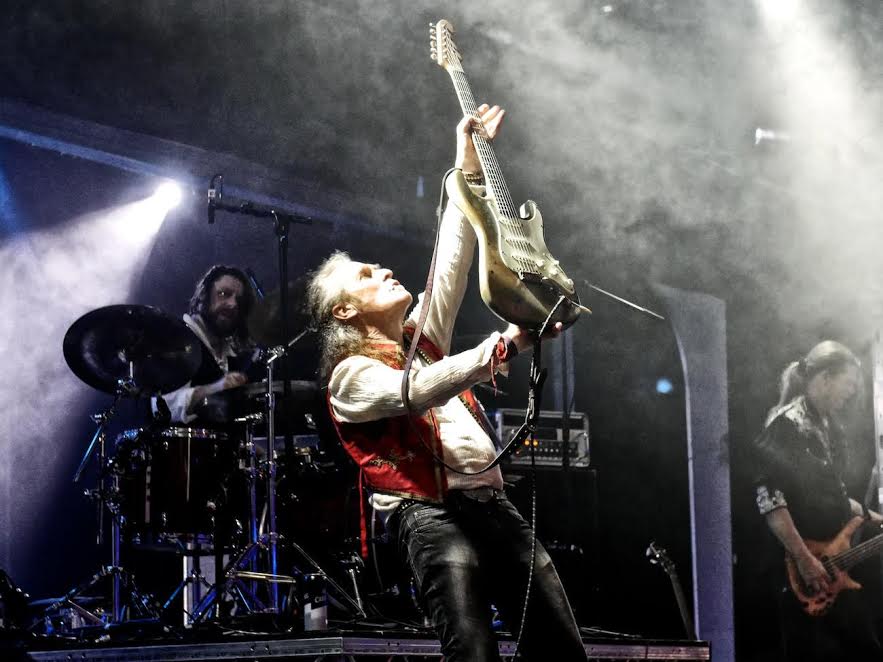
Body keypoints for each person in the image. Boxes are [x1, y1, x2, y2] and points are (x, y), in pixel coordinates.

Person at [306, 104, 587, 661]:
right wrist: (503, 346)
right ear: (343, 312)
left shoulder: (420, 342)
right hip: (431, 518)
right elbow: (415, 391)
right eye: (366, 276)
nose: (382, 270)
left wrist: (467, 173)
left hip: (493, 507)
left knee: (560, 651)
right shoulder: (349, 377)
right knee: (473, 655)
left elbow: (453, 264)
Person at [752, 340, 883, 661]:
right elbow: (770, 499)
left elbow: (834, 497)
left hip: (832, 564)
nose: (851, 393)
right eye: (848, 383)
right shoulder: (786, 424)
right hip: (799, 570)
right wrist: (805, 559)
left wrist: (875, 518)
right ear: (825, 378)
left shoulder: (828, 427)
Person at [159, 265, 259, 423]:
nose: (233, 304)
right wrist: (215, 388)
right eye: (224, 294)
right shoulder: (177, 338)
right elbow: (165, 407)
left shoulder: (232, 355)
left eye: (238, 300)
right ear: (204, 295)